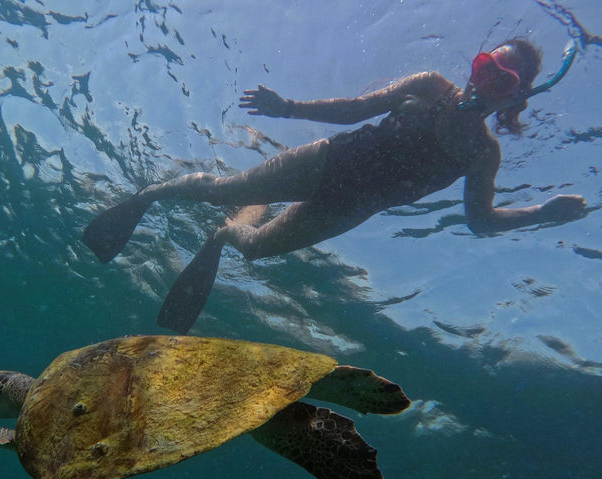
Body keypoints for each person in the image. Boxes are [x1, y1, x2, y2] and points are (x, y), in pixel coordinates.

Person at [82, 38, 586, 334]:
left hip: (352, 207)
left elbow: (480, 221)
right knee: (221, 189)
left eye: (502, 81)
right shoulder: (431, 85)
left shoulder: (483, 153)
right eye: (484, 66)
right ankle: (147, 197)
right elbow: (356, 109)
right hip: (327, 162)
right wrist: (290, 109)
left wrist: (542, 214)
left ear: (515, 96)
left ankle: (221, 237)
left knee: (254, 248)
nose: (484, 81)